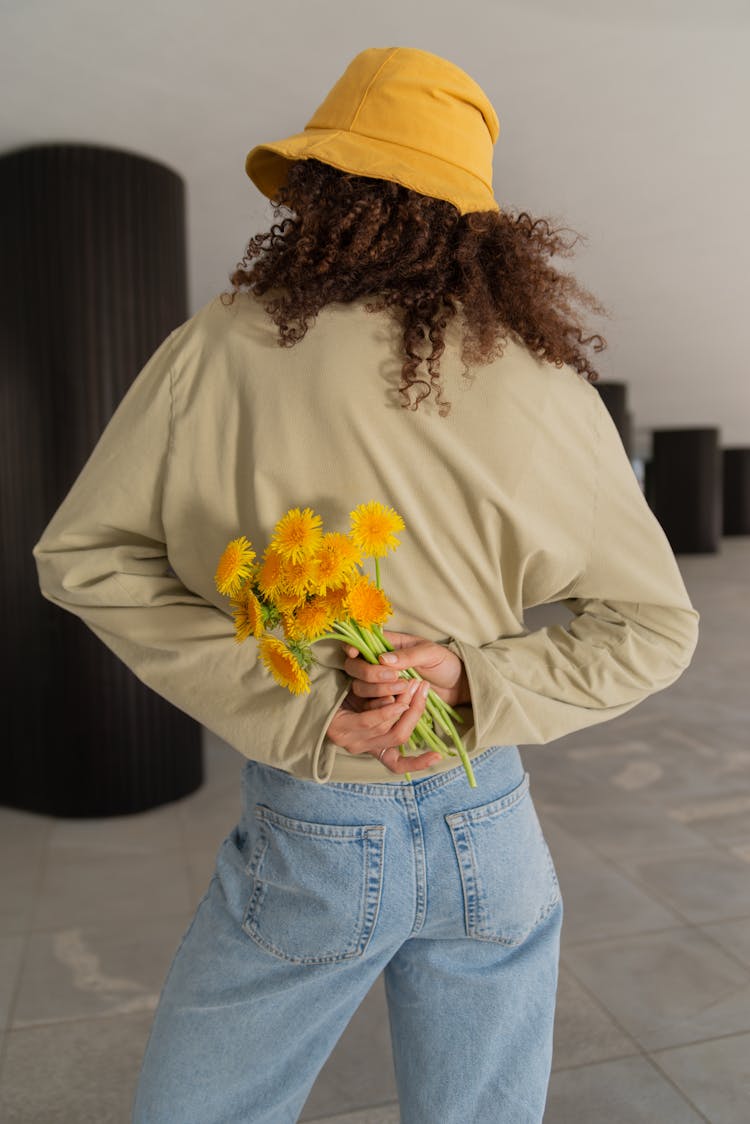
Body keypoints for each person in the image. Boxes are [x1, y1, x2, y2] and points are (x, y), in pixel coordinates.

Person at [32, 46, 699, 1124]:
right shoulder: (552, 386)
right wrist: (473, 677)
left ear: (325, 195)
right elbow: (655, 627)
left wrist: (300, 703)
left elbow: (84, 555)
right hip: (491, 816)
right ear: (483, 225)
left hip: (318, 823)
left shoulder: (218, 349)